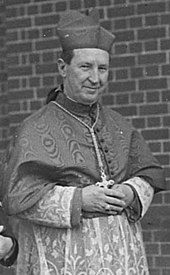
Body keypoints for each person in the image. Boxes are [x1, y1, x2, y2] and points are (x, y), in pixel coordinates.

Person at [2, 9, 165, 275]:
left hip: (123, 257)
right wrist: (78, 199)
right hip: (65, 259)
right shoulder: (33, 129)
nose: (96, 78)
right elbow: (18, 198)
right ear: (62, 67)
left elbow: (148, 174)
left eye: (103, 68)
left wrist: (131, 192)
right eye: (85, 67)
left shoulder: (119, 124)